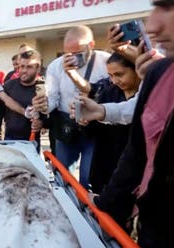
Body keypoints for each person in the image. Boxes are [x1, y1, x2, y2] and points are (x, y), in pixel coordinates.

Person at [91, 1, 174, 247]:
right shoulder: (159, 73)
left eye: (170, 6)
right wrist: (102, 206)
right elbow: (136, 154)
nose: (151, 25)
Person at [33, 25, 111, 189]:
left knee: (89, 176)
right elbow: (53, 98)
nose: (72, 58)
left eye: (77, 53)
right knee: (63, 175)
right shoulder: (56, 66)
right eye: (67, 53)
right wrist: (44, 105)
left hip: (96, 127)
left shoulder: (105, 62)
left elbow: (112, 95)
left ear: (91, 45)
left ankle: (87, 211)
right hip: (66, 126)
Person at [71, 53, 141, 196]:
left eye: (119, 74)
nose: (114, 81)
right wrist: (85, 122)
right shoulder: (108, 92)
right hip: (104, 166)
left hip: (134, 170)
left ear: (137, 70)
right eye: (110, 75)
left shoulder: (149, 97)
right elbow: (94, 130)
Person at [0, 50, 45, 151]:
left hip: (32, 142)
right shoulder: (8, 86)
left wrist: (42, 123)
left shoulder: (42, 88)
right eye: (22, 66)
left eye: (29, 67)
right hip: (9, 140)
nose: (24, 70)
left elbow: (50, 117)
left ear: (38, 68)